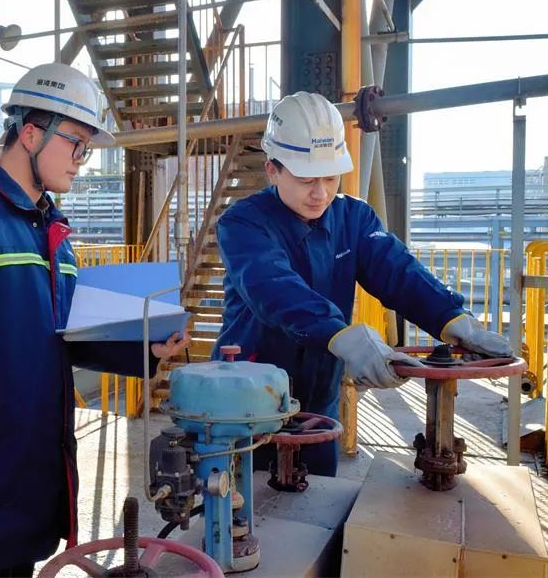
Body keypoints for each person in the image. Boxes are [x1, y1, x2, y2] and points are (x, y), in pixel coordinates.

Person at [0, 62, 189, 577]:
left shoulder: (50, 229)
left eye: (86, 149)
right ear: (30, 134)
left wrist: (145, 346)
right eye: (76, 144)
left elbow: (63, 334)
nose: (81, 162)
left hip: (22, 471)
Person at [211, 91, 510, 477]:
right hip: (245, 404)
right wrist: (343, 335)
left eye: (330, 177)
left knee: (318, 497)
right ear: (272, 170)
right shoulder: (243, 224)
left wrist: (452, 318)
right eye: (306, 179)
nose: (320, 192)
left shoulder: (354, 218)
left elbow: (397, 270)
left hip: (319, 401)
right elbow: (273, 288)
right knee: (240, 503)